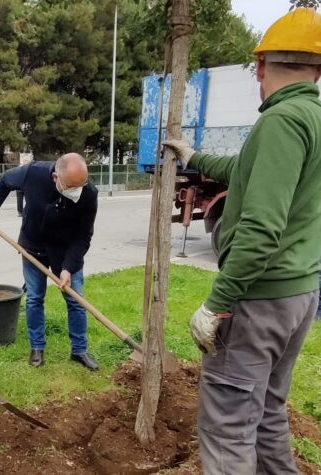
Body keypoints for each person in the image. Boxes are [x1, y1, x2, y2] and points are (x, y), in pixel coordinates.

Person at [164, 8, 321, 474]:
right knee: (269, 411)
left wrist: (217, 303)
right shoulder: (312, 118)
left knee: (227, 429)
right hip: (298, 295)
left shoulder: (281, 121)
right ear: (317, 71)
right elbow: (244, 170)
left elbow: (262, 228)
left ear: (260, 67)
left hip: (259, 301)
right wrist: (195, 157)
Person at [0, 153, 99, 371]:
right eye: (71, 186)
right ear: (56, 177)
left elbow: (83, 236)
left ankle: (79, 350)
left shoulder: (89, 193)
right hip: (33, 247)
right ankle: (37, 347)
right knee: (34, 298)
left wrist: (68, 267)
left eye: (80, 185)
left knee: (76, 300)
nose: (77, 190)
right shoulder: (33, 173)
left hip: (65, 251)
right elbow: (4, 181)